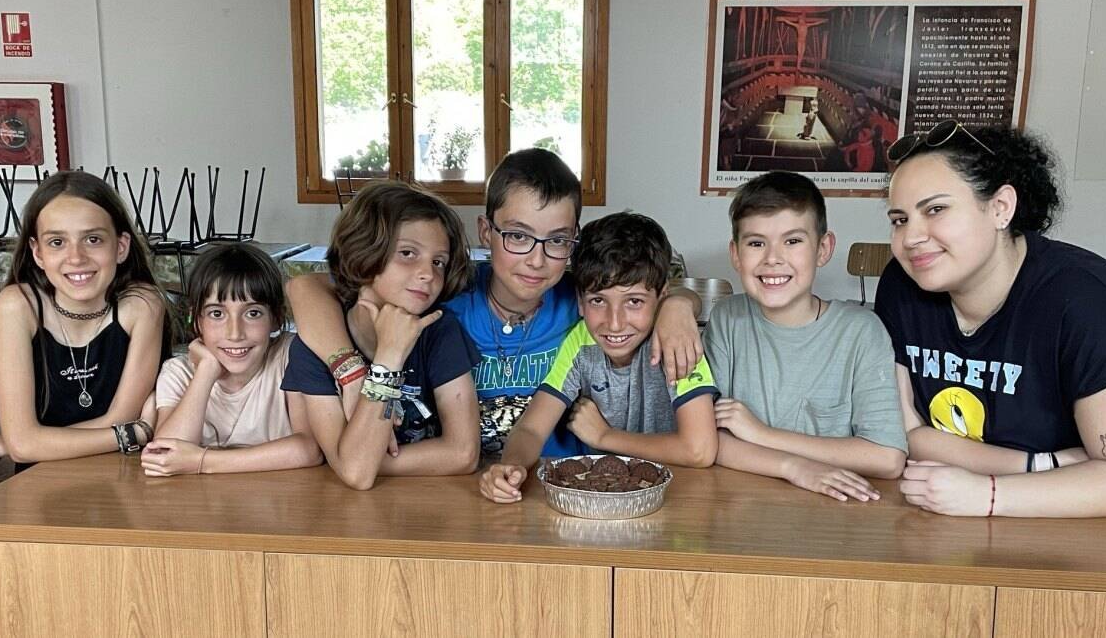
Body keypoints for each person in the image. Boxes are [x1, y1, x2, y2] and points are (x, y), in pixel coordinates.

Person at [286, 149, 704, 460]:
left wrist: (679, 304)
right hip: (460, 487)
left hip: (562, 481)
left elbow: (638, 294)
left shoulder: (583, 302)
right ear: (486, 231)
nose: (537, 260)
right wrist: (349, 368)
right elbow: (311, 288)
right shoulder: (445, 291)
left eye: (557, 240)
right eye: (518, 236)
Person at [878, 122, 1106, 517]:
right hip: (939, 513)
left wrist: (989, 495)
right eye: (899, 220)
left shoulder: (1083, 300)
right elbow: (905, 435)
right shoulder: (900, 286)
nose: (910, 238)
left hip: (1069, 537)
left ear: (1000, 208)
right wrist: (1042, 465)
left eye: (936, 210)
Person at [0, 171, 167, 483]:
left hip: (124, 477)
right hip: (39, 483)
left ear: (121, 246)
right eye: (57, 242)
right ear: (38, 253)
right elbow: (126, 429)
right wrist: (134, 432)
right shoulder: (18, 305)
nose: (76, 257)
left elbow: (119, 419)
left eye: (93, 239)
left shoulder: (142, 305)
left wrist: (3, 444)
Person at [479, 212, 718, 503]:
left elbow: (700, 449)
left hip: (682, 496)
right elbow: (530, 427)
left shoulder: (675, 340)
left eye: (634, 301)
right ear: (580, 302)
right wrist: (511, 465)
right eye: (598, 301)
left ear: (662, 296)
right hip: (603, 497)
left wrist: (605, 437)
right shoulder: (581, 343)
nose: (614, 323)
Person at [705, 171, 906, 502]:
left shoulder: (861, 332)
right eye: (756, 243)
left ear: (823, 249)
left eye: (793, 241)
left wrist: (761, 434)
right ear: (736, 254)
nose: (773, 259)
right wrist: (794, 467)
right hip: (739, 508)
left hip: (836, 515)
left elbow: (886, 457)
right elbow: (708, 441)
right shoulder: (728, 319)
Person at [281, 181, 480, 490]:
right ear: (364, 251)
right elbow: (358, 476)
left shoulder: (440, 330)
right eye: (408, 253)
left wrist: (366, 458)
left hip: (435, 503)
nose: (429, 273)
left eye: (438, 261)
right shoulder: (314, 347)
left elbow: (464, 453)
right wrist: (388, 357)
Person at [139, 243, 321, 476]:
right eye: (217, 313)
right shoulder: (179, 372)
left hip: (277, 502)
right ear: (196, 320)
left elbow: (309, 448)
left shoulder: (290, 357)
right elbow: (164, 454)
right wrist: (206, 372)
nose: (235, 333)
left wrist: (202, 461)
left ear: (276, 318)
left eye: (252, 313)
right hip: (200, 504)